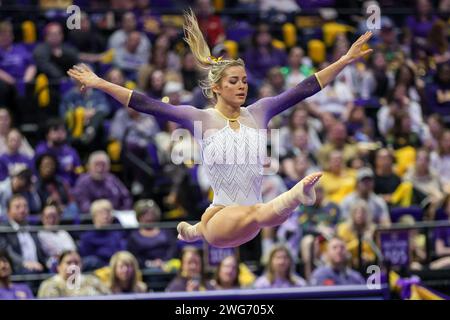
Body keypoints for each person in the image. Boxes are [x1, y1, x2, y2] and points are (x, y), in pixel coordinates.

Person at [67, 9, 373, 248]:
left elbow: (305, 88)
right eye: (233, 81)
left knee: (253, 214)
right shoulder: (199, 119)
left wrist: (345, 59)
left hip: (247, 221)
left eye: (243, 80)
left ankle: (192, 231)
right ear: (216, 87)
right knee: (256, 213)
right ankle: (293, 197)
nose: (242, 86)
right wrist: (99, 82)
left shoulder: (260, 111)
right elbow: (146, 104)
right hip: (224, 219)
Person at [0, 194, 47, 274]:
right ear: (8, 211)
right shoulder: (4, 230)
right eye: (17, 207)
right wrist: (24, 263)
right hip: (18, 272)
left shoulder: (33, 229)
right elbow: (8, 252)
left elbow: (41, 252)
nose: (22, 210)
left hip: (38, 270)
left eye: (25, 206)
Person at [37, 250, 111, 298]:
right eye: (68, 263)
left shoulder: (92, 280)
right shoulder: (50, 285)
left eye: (76, 262)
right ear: (59, 267)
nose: (73, 266)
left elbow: (110, 297)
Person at [126, 199, 177, 268]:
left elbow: (172, 248)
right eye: (144, 214)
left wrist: (164, 261)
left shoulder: (166, 231)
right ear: (139, 217)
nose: (148, 217)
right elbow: (133, 256)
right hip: (144, 268)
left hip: (166, 265)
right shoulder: (134, 236)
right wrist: (149, 264)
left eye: (151, 214)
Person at [78, 199, 125, 270]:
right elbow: (86, 260)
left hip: (117, 268)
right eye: (101, 213)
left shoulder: (117, 235)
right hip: (97, 271)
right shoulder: (87, 237)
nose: (105, 216)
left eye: (108, 213)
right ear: (94, 217)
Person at [34, 118, 83, 187]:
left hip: (70, 188)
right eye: (55, 130)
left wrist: (73, 169)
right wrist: (62, 167)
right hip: (48, 188)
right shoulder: (41, 150)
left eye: (63, 130)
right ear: (47, 134)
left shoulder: (71, 151)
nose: (60, 133)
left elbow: (79, 171)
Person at [37, 204, 77, 270]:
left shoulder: (63, 232)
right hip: (55, 264)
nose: (51, 220)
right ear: (42, 218)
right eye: (48, 217)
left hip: (71, 260)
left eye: (54, 216)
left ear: (59, 217)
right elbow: (55, 252)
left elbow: (73, 249)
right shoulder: (41, 235)